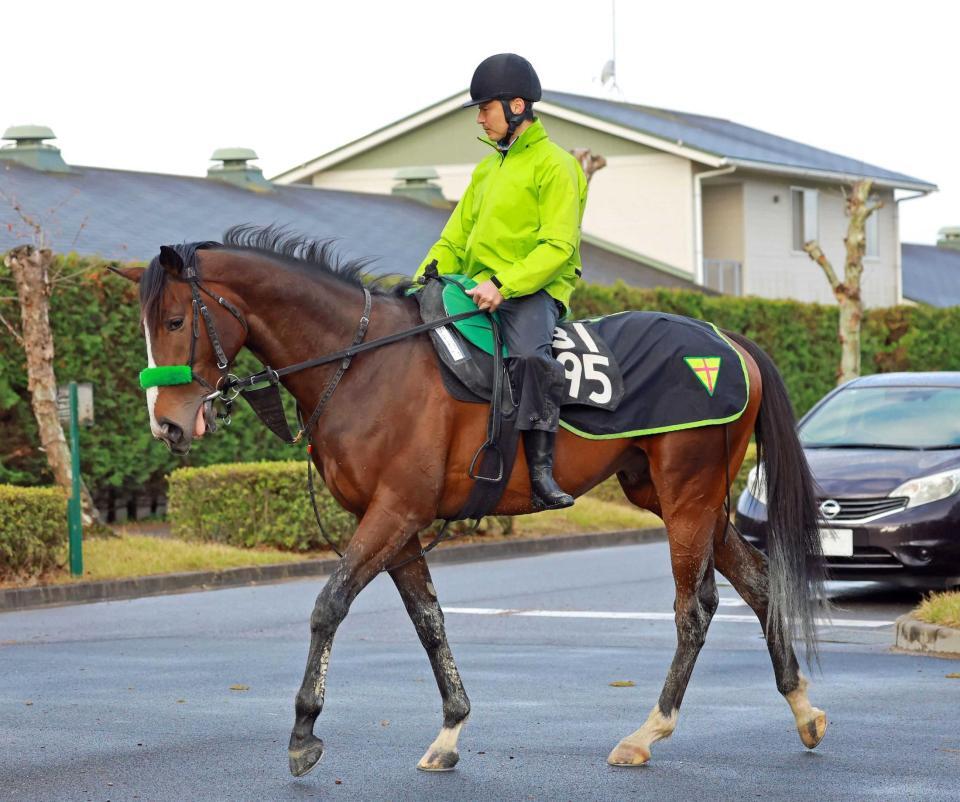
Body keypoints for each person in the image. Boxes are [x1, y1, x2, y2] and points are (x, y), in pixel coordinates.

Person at [415, 53, 587, 510]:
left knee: (531, 358)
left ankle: (542, 473)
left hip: (532, 292)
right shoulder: (486, 170)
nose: (480, 118)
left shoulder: (557, 166)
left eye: (485, 108)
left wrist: (503, 284)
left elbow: (558, 246)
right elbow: (453, 237)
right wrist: (424, 276)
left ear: (516, 106)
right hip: (475, 287)